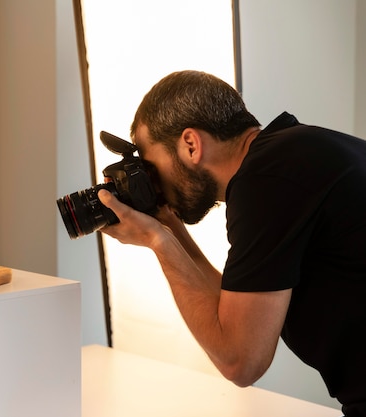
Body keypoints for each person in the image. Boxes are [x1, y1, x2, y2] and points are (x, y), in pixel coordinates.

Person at [97, 70, 366, 416]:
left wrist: (157, 241)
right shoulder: (291, 152)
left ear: (191, 144)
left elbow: (241, 360)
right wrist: (166, 225)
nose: (153, 183)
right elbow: (232, 312)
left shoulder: (264, 180)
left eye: (150, 167)